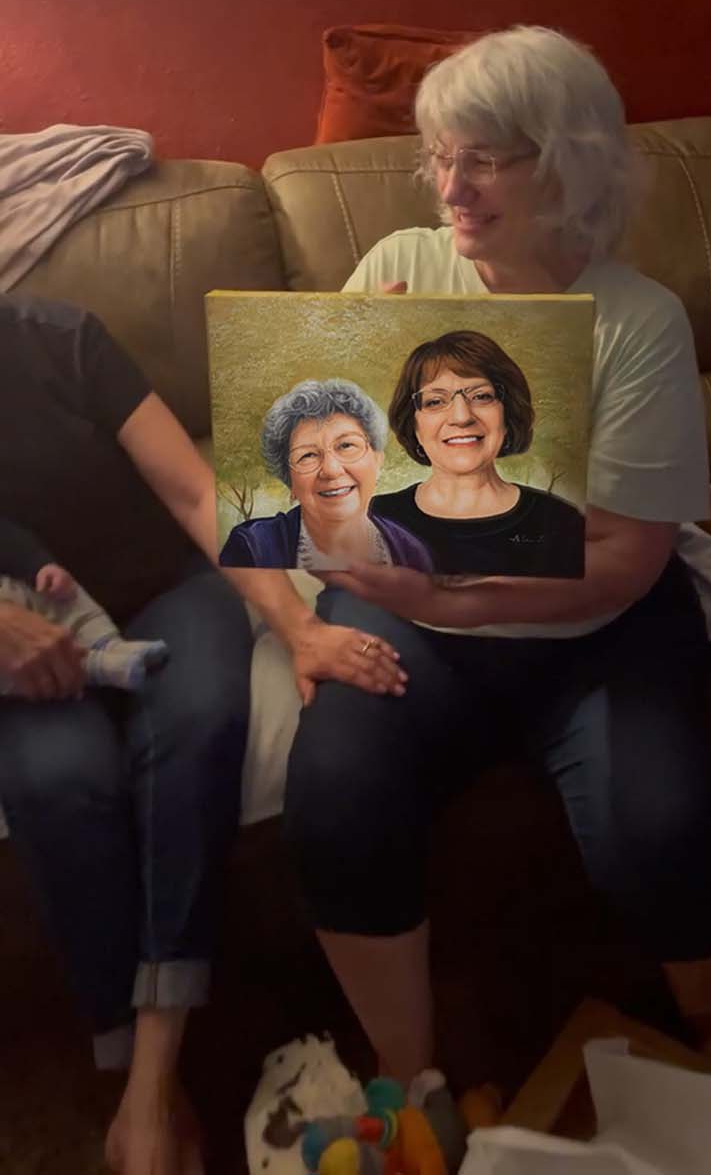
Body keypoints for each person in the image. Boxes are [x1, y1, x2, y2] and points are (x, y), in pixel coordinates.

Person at [281, 25, 711, 1085]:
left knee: (657, 821)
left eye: (483, 158)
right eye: (439, 153)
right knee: (337, 788)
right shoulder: (398, 266)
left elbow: (622, 559)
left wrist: (451, 587)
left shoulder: (635, 321)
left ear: (568, 162)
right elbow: (298, 474)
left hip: (596, 628)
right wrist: (341, 384)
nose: (450, 184)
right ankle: (413, 1080)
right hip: (410, 612)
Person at [0, 295, 407, 1175]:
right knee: (58, 782)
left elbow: (193, 490)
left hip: (166, 593)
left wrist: (297, 628)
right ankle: (150, 1086)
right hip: (30, 643)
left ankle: (149, 1086)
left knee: (196, 730)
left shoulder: (62, 336)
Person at [371, 329, 585, 578]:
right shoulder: (373, 520)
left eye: (481, 396)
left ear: (508, 414)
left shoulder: (561, 522)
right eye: (435, 401)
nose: (461, 418)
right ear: (413, 424)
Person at [220, 378, 433, 573]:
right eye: (308, 455)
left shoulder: (411, 551)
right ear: (289, 480)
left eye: (346, 445)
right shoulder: (253, 548)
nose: (331, 469)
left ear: (377, 459)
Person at [0, 517, 168, 693]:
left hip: (22, 586)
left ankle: (110, 644)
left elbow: (8, 539)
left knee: (65, 595)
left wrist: (39, 566)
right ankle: (98, 666)